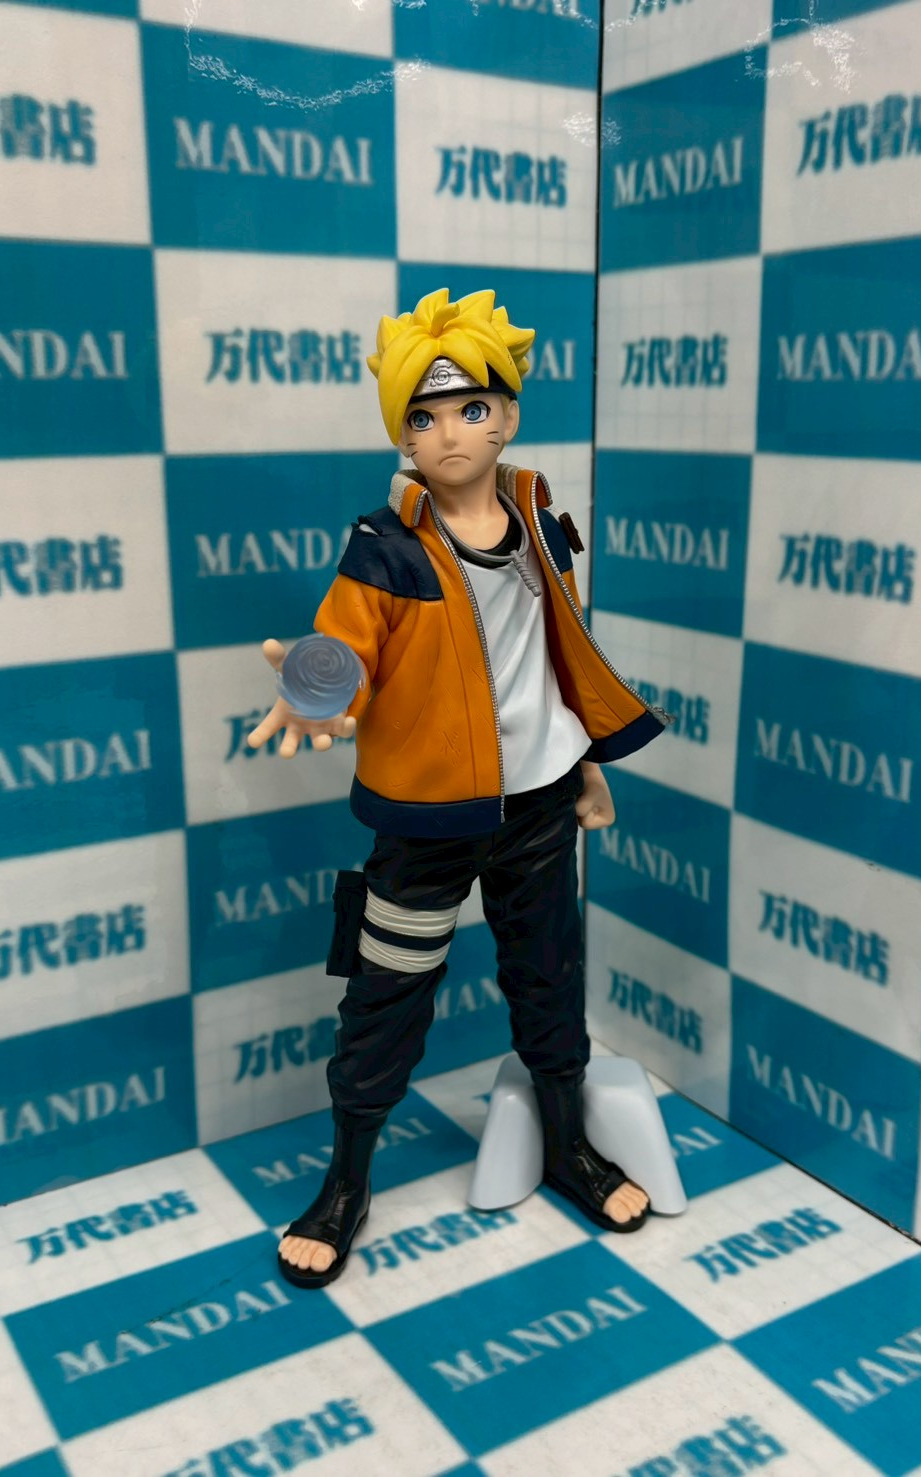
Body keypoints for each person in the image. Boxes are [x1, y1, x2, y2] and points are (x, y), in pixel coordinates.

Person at [248, 288, 670, 1289]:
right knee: (385, 997)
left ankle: (566, 1146)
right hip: (427, 820)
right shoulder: (382, 545)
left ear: (508, 414)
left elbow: (559, 654)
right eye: (424, 416)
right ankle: (345, 1182)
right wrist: (317, 689)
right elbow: (345, 648)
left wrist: (586, 765)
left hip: (540, 805)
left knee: (549, 976)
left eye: (471, 408)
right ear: (401, 436)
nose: (449, 434)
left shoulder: (538, 518)